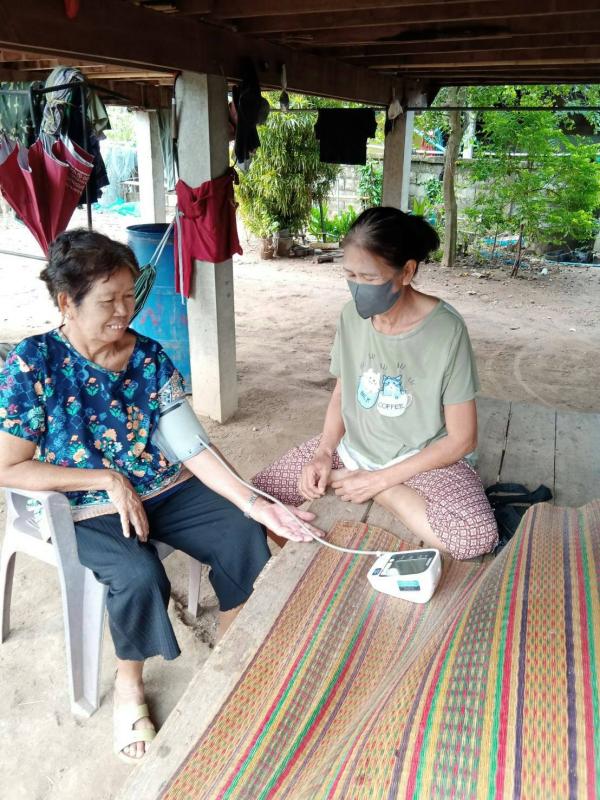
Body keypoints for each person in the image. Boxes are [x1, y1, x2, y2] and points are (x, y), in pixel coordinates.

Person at [0, 229, 316, 763]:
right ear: (66, 304)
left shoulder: (147, 357)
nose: (124, 311)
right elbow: (9, 465)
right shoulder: (34, 364)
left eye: (129, 295)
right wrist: (104, 479)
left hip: (157, 485)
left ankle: (231, 653)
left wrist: (254, 502)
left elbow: (191, 447)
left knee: (243, 530)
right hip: (75, 503)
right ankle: (129, 685)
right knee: (138, 572)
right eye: (108, 301)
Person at [253, 207, 498, 560]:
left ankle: (368, 483)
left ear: (407, 272)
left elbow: (463, 439)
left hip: (421, 459)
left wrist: (380, 482)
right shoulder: (350, 317)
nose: (357, 289)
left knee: (473, 536)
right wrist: (323, 453)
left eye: (369, 278)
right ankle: (346, 477)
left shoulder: (446, 331)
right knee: (256, 500)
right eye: (349, 275)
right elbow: (343, 390)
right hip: (348, 449)